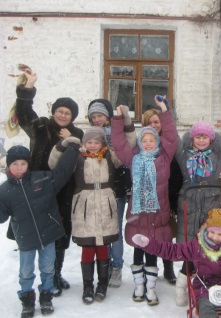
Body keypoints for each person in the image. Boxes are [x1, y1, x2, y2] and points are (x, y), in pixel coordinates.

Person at [14, 68, 84, 297]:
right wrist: (28, 88)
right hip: (37, 187)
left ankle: (55, 273)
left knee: (59, 232)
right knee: (35, 231)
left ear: (73, 117)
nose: (63, 116)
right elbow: (24, 113)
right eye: (60, 111)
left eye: (68, 113)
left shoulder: (76, 133)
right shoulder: (41, 126)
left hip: (63, 190)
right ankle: (37, 276)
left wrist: (71, 140)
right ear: (54, 111)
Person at [0, 142, 80, 317]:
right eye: (15, 164)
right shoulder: (4, 191)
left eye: (23, 164)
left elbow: (62, 173)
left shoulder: (41, 179)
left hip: (48, 234)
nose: (19, 168)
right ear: (9, 166)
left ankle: (46, 297)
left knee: (48, 268)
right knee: (26, 272)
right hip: (26, 238)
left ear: (28, 164)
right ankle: (27, 300)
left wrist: (73, 149)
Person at [111, 97, 178, 306]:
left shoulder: (164, 158)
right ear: (140, 143)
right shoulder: (133, 158)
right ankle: (139, 286)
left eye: (152, 140)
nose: (148, 143)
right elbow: (118, 142)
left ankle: (151, 288)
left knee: (153, 252)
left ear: (157, 142)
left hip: (158, 215)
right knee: (138, 251)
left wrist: (165, 111)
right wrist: (117, 118)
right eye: (145, 141)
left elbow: (171, 136)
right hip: (138, 215)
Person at [49, 127, 121, 304]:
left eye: (97, 142)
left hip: (105, 205)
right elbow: (54, 164)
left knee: (103, 246)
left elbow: (126, 153)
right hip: (84, 206)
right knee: (88, 247)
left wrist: (122, 128)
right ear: (84, 143)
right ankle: (87, 286)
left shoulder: (110, 156)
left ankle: (102, 285)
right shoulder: (77, 156)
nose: (93, 145)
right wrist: (62, 144)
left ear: (103, 143)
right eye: (89, 142)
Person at [174, 120, 221, 306]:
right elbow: (172, 137)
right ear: (192, 138)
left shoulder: (218, 155)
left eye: (204, 136)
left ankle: (203, 288)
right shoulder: (184, 155)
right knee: (190, 249)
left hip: (210, 205)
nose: (201, 140)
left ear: (211, 139)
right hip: (189, 205)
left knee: (208, 249)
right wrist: (168, 113)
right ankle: (182, 287)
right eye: (198, 136)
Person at [87, 99, 134, 288]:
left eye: (100, 115)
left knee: (114, 231)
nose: (97, 119)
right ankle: (104, 265)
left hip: (117, 188)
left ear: (108, 116)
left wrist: (125, 117)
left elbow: (129, 146)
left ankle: (117, 267)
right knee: (101, 230)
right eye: (94, 116)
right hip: (97, 190)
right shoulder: (89, 137)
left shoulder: (118, 132)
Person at [141, 106, 183, 285]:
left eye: (156, 122)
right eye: (150, 122)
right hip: (150, 194)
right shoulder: (144, 141)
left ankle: (168, 266)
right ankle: (149, 266)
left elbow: (178, 167)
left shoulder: (171, 140)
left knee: (167, 233)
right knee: (149, 231)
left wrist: (175, 193)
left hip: (169, 191)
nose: (154, 125)